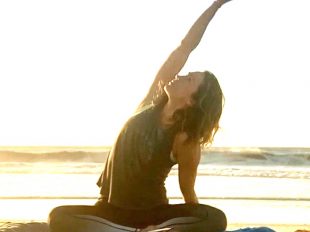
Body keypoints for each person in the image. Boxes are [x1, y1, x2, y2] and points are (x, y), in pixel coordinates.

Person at [48, 0, 232, 231]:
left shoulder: (186, 140)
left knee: (215, 218)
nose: (181, 75)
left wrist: (195, 223)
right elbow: (185, 47)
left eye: (189, 79)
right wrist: (215, 6)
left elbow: (189, 195)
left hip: (154, 214)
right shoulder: (149, 102)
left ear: (192, 100)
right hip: (109, 209)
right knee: (58, 217)